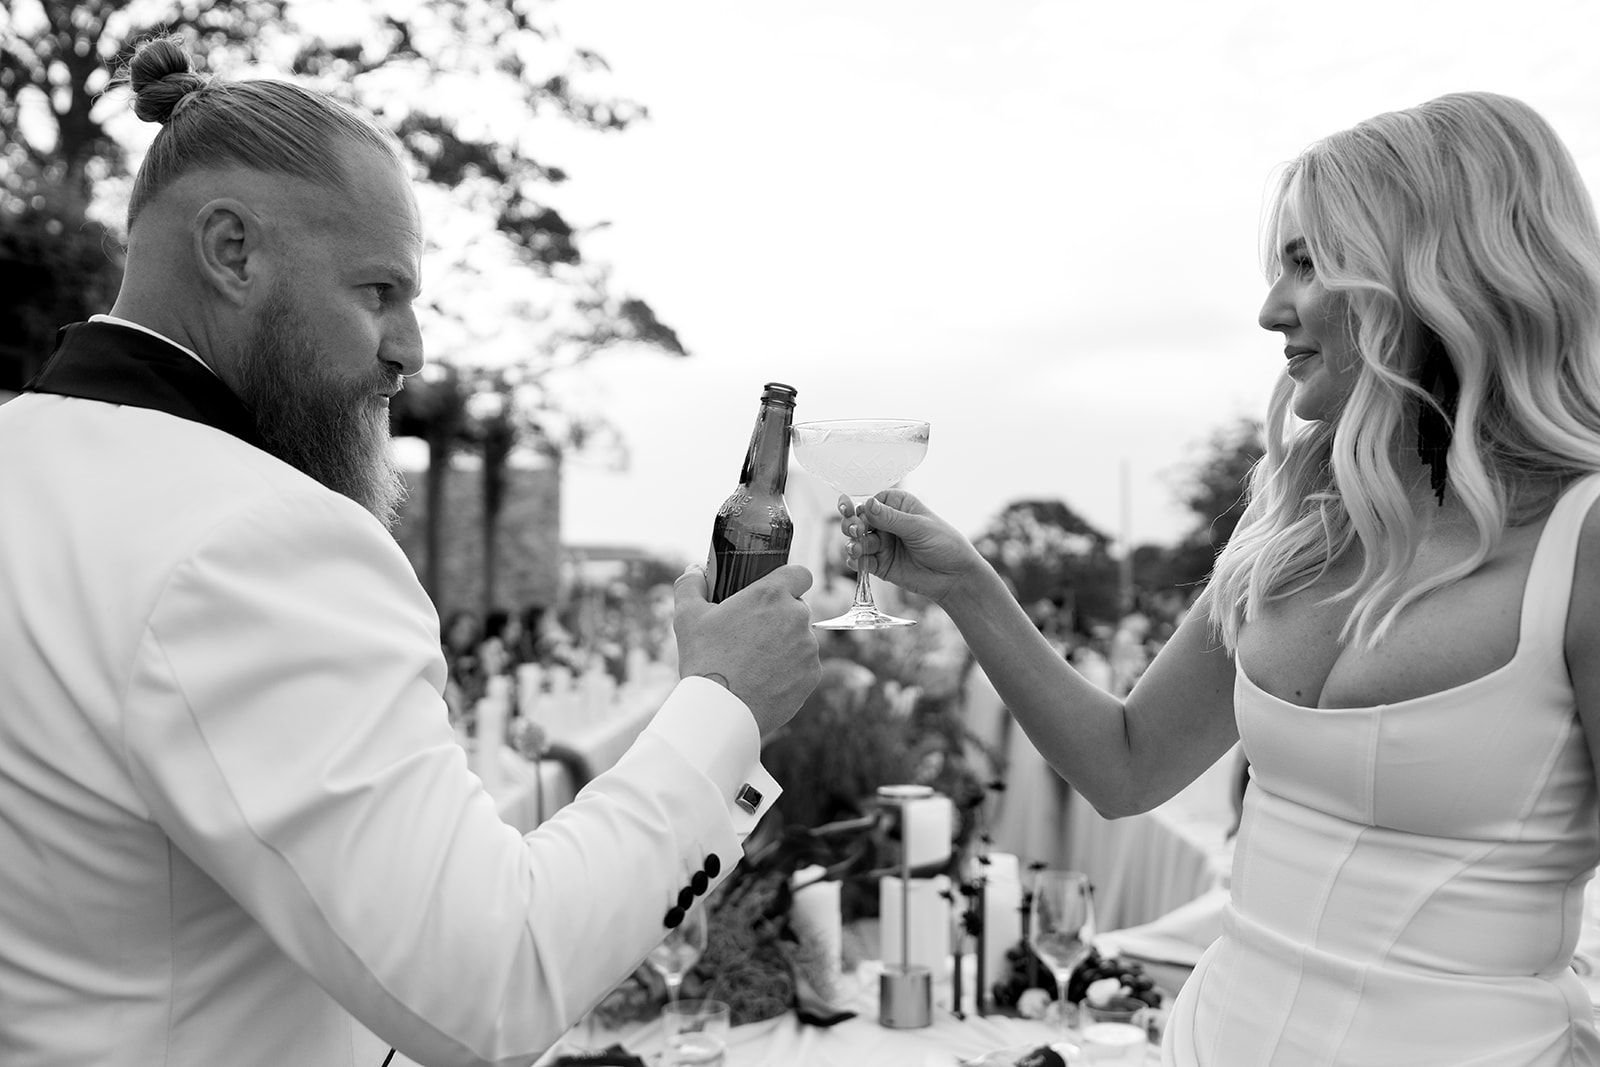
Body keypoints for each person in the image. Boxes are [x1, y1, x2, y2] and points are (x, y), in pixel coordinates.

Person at [0, 36, 820, 1067]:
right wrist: (725, 702)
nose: (411, 349)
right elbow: (492, 977)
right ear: (232, 251)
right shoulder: (257, 537)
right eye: (378, 292)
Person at [843, 91, 1600, 1064]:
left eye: (1306, 261)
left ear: (1429, 271)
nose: (1268, 307)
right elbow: (1125, 765)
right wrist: (965, 586)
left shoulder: (1580, 542)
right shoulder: (1294, 519)